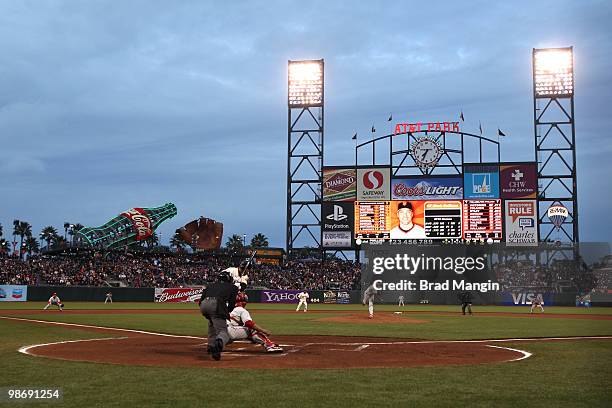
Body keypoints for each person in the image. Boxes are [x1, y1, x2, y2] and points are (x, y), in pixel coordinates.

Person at [198, 271, 239, 361]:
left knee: (212, 323)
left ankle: (210, 346)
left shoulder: (211, 285)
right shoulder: (233, 287)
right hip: (216, 304)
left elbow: (200, 301)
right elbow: (232, 305)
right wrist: (225, 312)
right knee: (223, 332)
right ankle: (217, 346)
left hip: (203, 305)